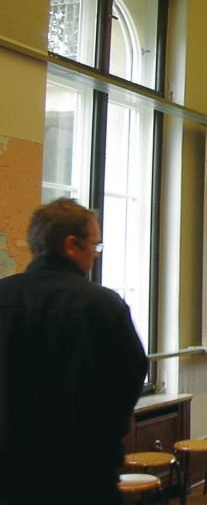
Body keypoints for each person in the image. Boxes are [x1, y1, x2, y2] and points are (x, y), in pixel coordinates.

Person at [0, 198, 148, 505]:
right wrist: (109, 431)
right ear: (71, 245)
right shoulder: (102, 305)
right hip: (82, 468)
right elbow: (129, 375)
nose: (95, 255)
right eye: (94, 245)